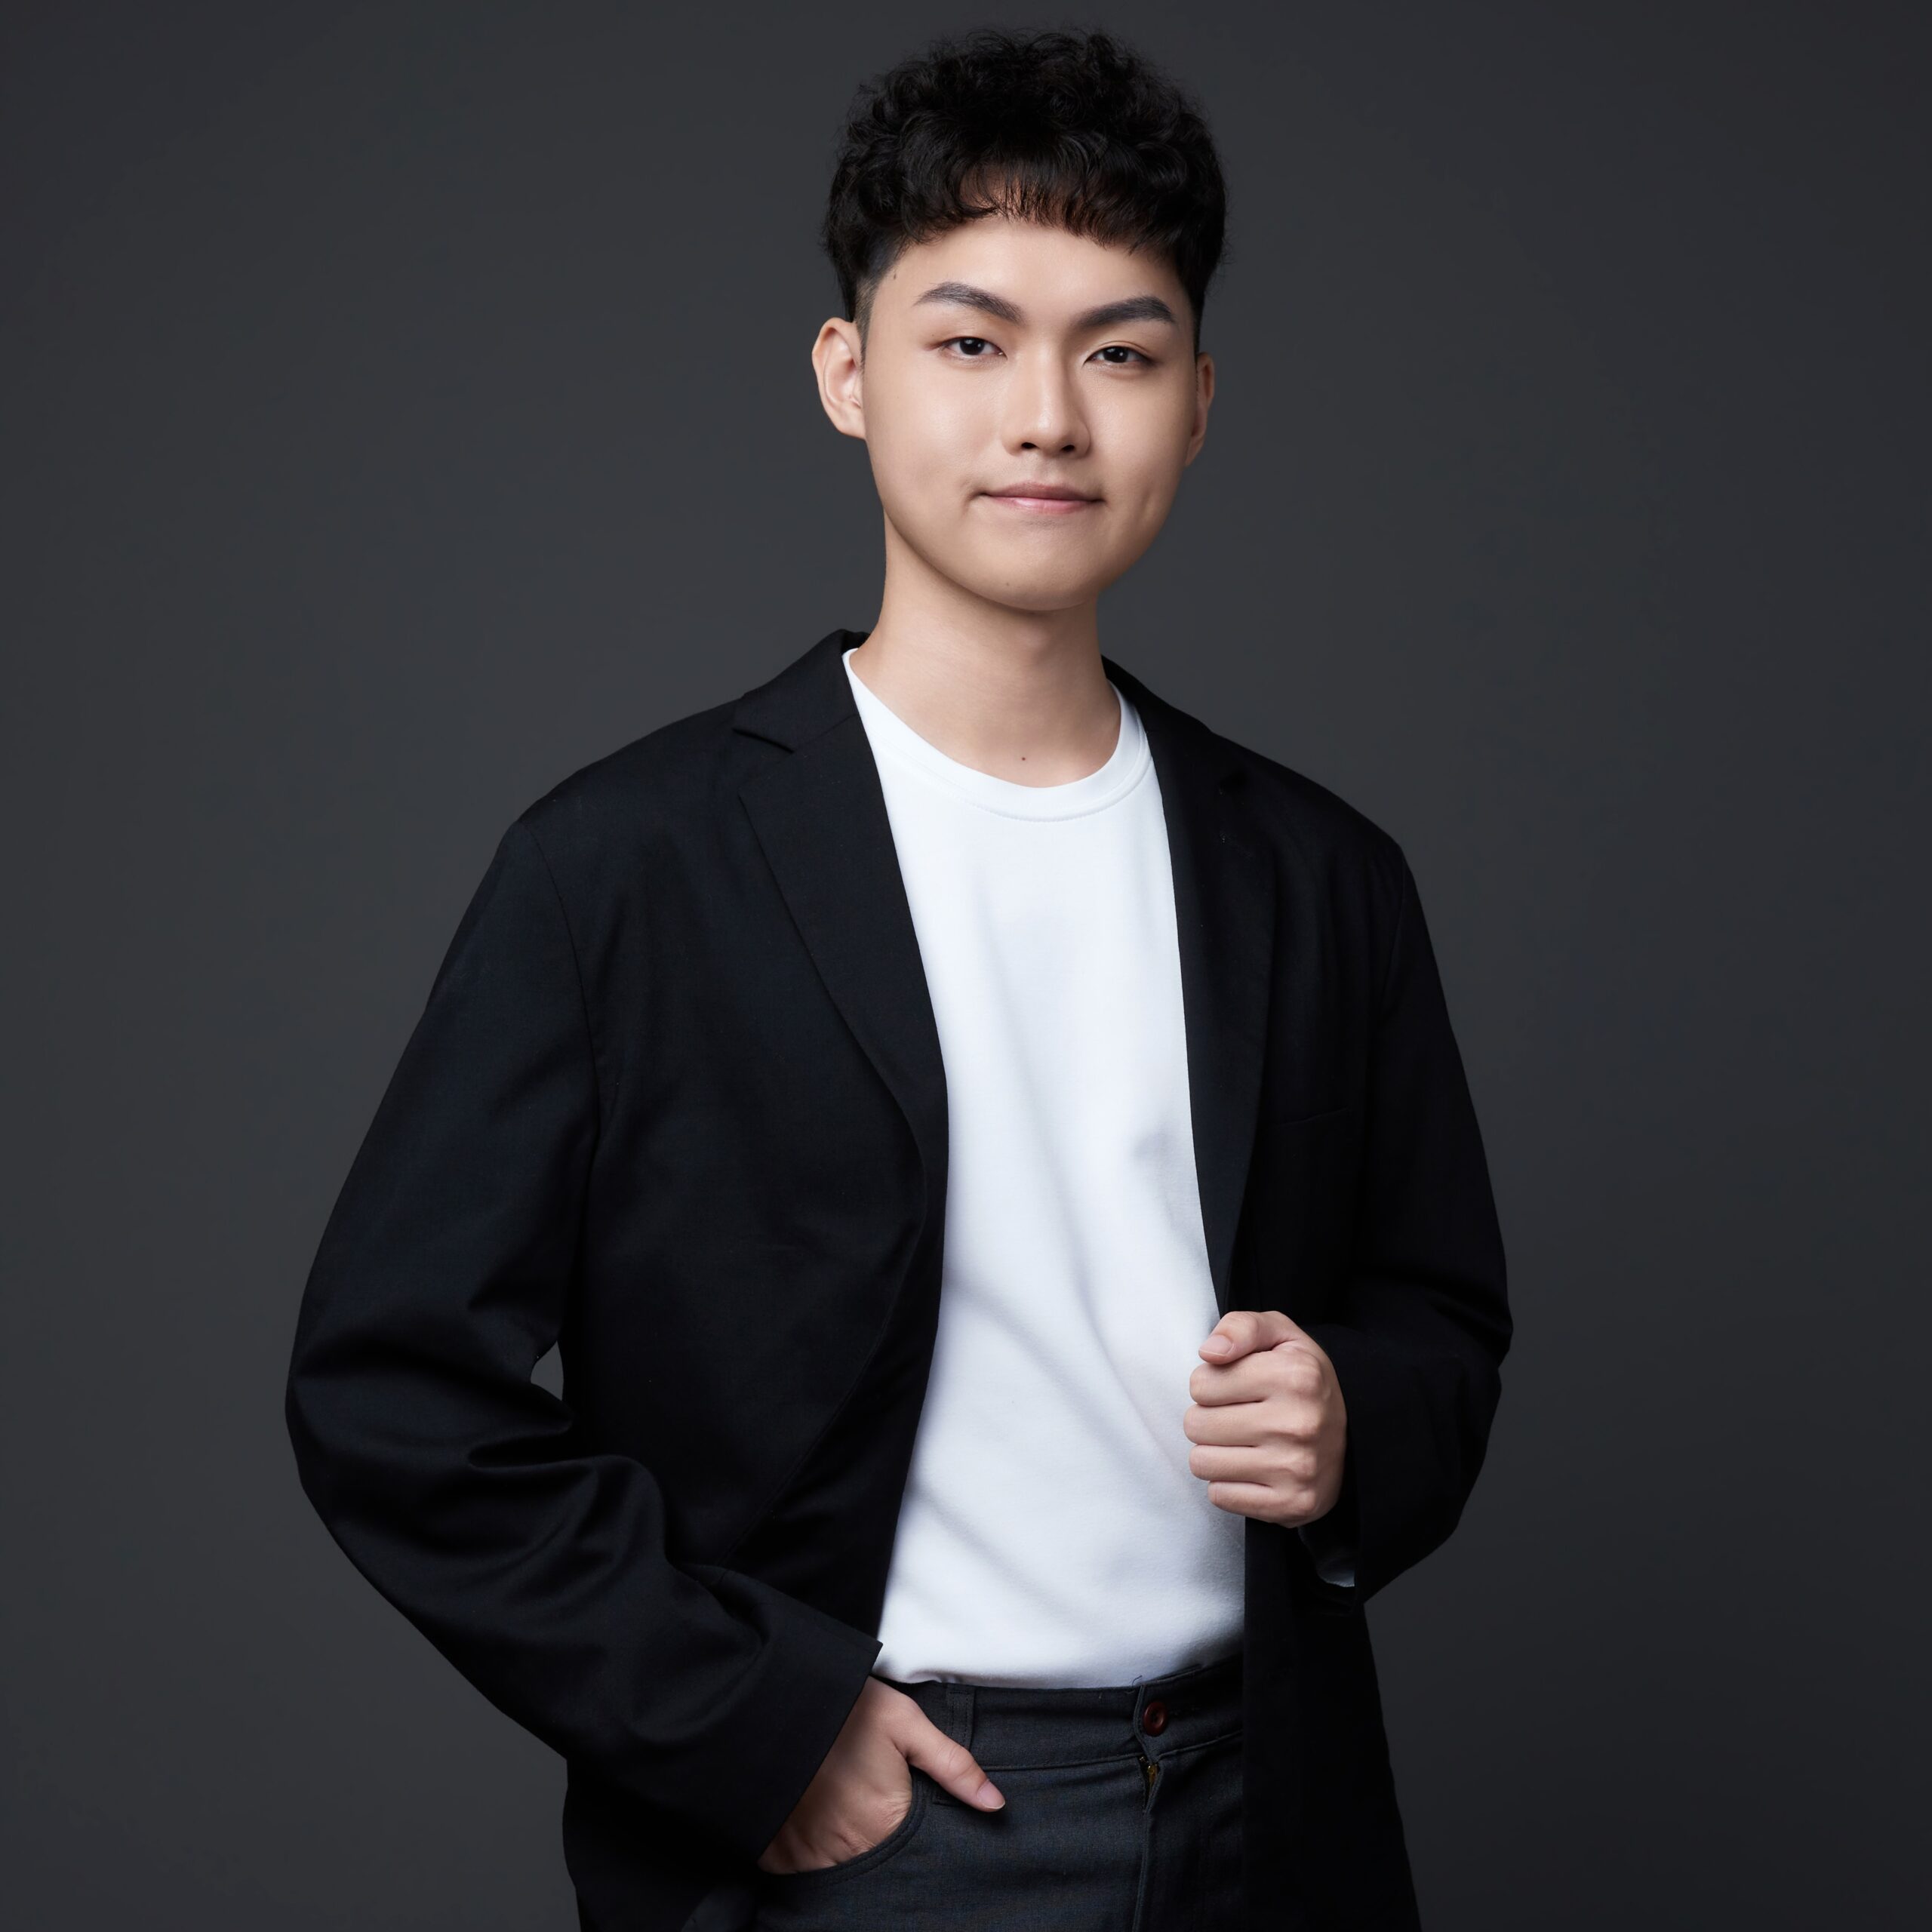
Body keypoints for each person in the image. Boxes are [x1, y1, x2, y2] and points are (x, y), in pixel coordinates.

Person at [285, 25, 1512, 1932]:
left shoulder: (1316, 872)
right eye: (970, 341)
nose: (1047, 416)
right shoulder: (629, 862)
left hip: (1265, 1809)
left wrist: (1353, 1414)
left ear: (1196, 403)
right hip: (879, 1827)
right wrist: (749, 1720)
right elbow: (387, 1387)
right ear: (845, 374)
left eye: (1119, 351)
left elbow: (1440, 1310)